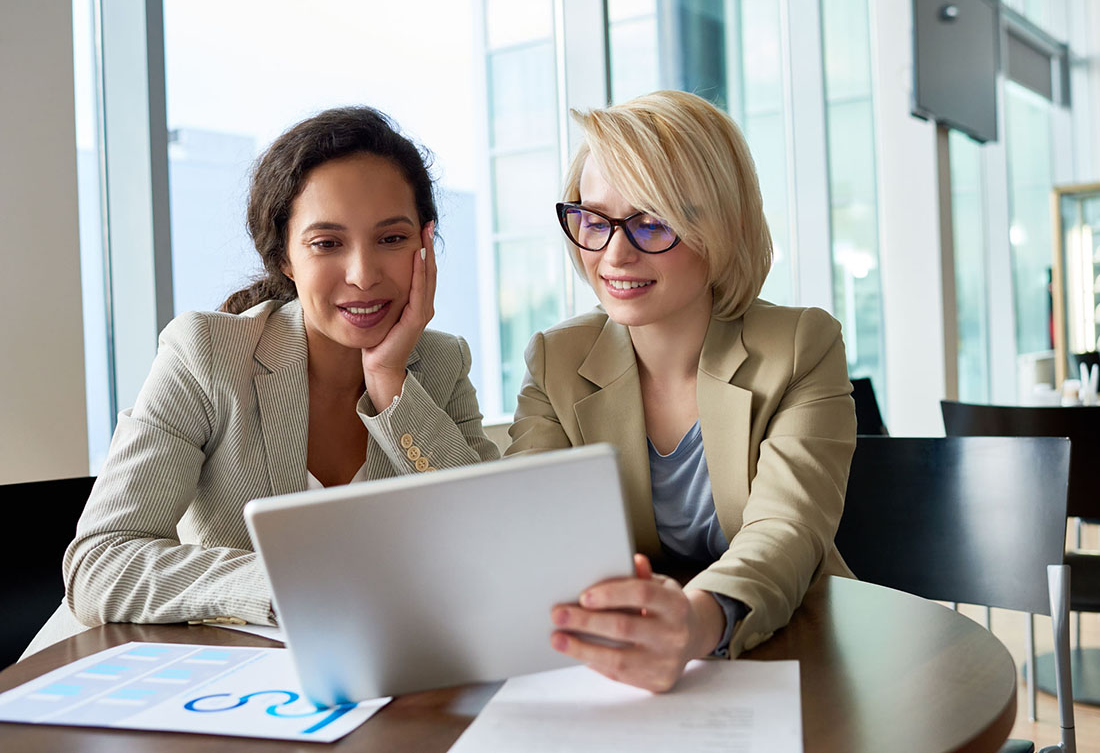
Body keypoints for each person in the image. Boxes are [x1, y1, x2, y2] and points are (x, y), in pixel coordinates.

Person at [27, 106, 498, 655]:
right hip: (146, 684)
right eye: (327, 243)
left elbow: (495, 542)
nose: (364, 274)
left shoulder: (439, 365)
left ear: (424, 244)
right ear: (285, 258)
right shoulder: (206, 353)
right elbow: (99, 562)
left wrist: (392, 384)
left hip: (347, 679)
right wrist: (294, 585)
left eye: (391, 239)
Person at [506, 90, 856, 692]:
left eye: (652, 221)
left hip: (789, 647)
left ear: (722, 228)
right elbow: (527, 524)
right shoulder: (556, 359)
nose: (614, 253)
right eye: (594, 218)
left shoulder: (801, 345)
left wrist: (696, 623)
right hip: (618, 665)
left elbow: (786, 530)